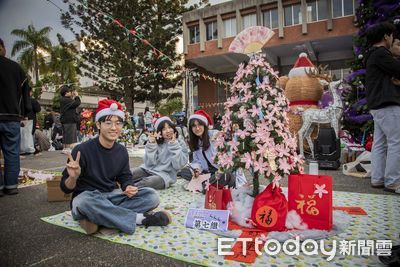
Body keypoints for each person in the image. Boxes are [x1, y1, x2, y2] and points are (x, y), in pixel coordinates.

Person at [60, 99, 171, 235]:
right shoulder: (81, 150)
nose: (114, 128)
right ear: (98, 125)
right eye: (108, 123)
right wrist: (73, 177)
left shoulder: (121, 151)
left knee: (151, 196)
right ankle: (139, 219)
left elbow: (125, 177)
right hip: (89, 198)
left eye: (118, 123)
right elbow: (65, 188)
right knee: (82, 202)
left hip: (112, 196)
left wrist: (128, 186)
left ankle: (97, 218)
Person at [364, 22, 400, 194]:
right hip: (387, 103)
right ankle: (392, 181)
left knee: (380, 143)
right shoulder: (381, 54)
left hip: (377, 105)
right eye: (392, 36)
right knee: (396, 142)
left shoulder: (372, 55)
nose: (393, 40)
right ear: (386, 36)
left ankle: (378, 179)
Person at [180, 110, 247, 188]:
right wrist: (196, 170)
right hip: (208, 174)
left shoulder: (215, 135)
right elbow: (197, 161)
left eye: (200, 125)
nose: (197, 128)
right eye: (194, 126)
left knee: (223, 175)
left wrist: (231, 132)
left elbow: (231, 144)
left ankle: (206, 186)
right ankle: (207, 184)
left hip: (223, 173)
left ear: (205, 126)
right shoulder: (196, 142)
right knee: (185, 172)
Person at [0, 37, 31, 196]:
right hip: (11, 116)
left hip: (10, 116)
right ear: (2, 48)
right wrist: (25, 113)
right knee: (12, 153)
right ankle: (11, 185)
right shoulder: (15, 68)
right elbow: (26, 93)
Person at [130, 116, 188, 190]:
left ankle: (128, 190)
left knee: (147, 182)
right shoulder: (157, 142)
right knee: (131, 173)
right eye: (164, 129)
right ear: (159, 132)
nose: (168, 131)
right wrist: (152, 145)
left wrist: (174, 146)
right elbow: (149, 163)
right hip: (148, 169)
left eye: (170, 127)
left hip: (164, 176)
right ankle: (116, 184)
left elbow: (178, 166)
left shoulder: (180, 143)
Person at [59, 86, 81, 154]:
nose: (71, 93)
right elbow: (77, 103)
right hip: (69, 120)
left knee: (66, 134)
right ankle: (68, 148)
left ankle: (65, 148)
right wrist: (77, 96)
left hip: (65, 119)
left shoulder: (63, 99)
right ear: (66, 93)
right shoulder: (66, 99)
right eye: (69, 92)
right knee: (69, 134)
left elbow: (73, 104)